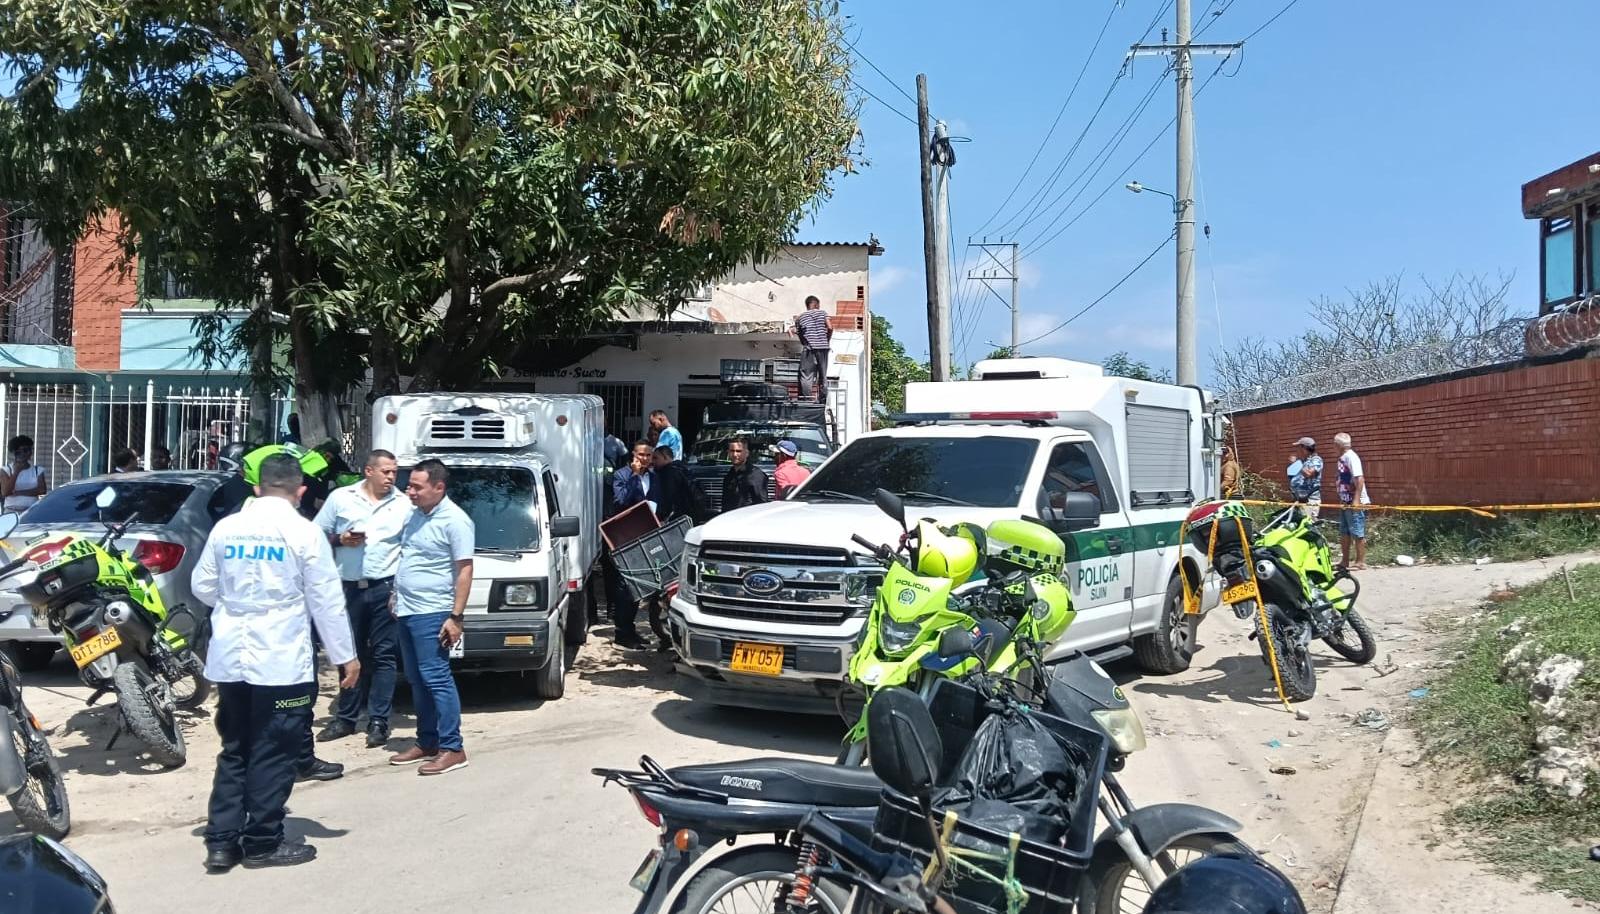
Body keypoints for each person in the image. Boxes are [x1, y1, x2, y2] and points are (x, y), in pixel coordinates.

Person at [191, 452, 359, 872]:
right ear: (300, 491)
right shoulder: (304, 533)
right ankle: (263, 842)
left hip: (231, 658)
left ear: (256, 487)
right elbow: (326, 601)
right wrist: (345, 657)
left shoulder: (226, 528)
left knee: (235, 748)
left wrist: (235, 605)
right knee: (275, 751)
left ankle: (221, 842)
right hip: (280, 661)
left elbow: (202, 585)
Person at [312, 450, 411, 749]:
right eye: (386, 471)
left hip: (385, 588)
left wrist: (401, 589)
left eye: (394, 472)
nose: (391, 477)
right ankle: (346, 717)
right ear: (369, 471)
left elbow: (410, 547)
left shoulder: (403, 504)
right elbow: (314, 535)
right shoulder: (341, 498)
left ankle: (379, 720)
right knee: (348, 652)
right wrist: (339, 540)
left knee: (384, 655)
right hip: (347, 588)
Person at [389, 459, 473, 776]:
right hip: (407, 609)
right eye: (409, 485)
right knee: (416, 679)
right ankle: (427, 741)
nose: (409, 491)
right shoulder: (415, 516)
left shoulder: (456, 521)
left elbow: (464, 570)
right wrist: (395, 594)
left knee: (437, 678)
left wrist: (456, 617)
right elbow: (409, 558)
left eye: (416, 487)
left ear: (439, 487)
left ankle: (453, 748)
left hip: (433, 612)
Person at [607, 441, 657, 648]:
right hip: (626, 537)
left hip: (647, 535)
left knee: (639, 585)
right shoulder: (622, 475)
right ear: (633, 455)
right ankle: (622, 632)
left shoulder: (653, 477)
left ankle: (631, 630)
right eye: (640, 455)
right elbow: (620, 501)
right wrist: (634, 476)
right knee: (625, 585)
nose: (644, 459)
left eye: (648, 455)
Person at [1334, 432, 1371, 569]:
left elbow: (1359, 479)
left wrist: (1356, 500)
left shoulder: (1351, 457)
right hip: (1345, 501)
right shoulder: (1343, 458)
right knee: (1344, 532)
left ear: (1338, 445)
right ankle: (1345, 561)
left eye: (1334, 444)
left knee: (1357, 531)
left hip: (1354, 502)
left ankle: (1360, 561)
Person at [793, 294, 832, 404]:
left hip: (809, 349)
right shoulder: (823, 313)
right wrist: (826, 340)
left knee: (806, 375)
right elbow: (830, 327)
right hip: (823, 348)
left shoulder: (800, 318)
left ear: (807, 305)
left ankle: (806, 400)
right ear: (816, 304)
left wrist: (806, 342)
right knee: (823, 375)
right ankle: (822, 400)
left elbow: (801, 337)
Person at [650, 445, 700, 523]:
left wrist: (661, 518)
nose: (652, 461)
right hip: (692, 516)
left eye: (655, 458)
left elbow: (667, 499)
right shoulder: (683, 469)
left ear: (665, 457)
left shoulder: (668, 473)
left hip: (677, 519)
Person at [1, 435, 48, 513]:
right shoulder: (6, 470)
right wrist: (16, 472)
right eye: (25, 450)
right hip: (11, 511)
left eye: (30, 449)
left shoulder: (37, 470)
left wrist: (19, 492)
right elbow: (6, 492)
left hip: (31, 511)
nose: (29, 453)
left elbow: (42, 490)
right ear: (15, 452)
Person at [722, 438, 769, 512]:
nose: (734, 454)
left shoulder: (756, 475)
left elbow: (762, 505)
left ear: (747, 453)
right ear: (728, 452)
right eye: (732, 451)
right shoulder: (730, 475)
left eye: (739, 451)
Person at [1287, 437, 1322, 520]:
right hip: (1298, 498)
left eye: (1299, 447)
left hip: (1309, 500)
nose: (1297, 450)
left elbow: (1308, 474)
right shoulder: (1304, 461)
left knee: (1307, 523)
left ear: (1304, 448)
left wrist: (1296, 464)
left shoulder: (1316, 460)